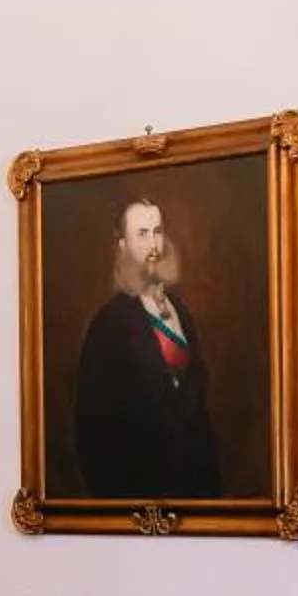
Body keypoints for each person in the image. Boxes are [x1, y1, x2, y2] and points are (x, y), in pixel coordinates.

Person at [73, 196, 223, 498]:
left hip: (194, 484)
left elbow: (195, 395)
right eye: (142, 234)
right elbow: (93, 425)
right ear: (123, 246)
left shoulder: (178, 309)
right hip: (139, 485)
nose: (154, 244)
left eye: (158, 231)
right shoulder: (110, 323)